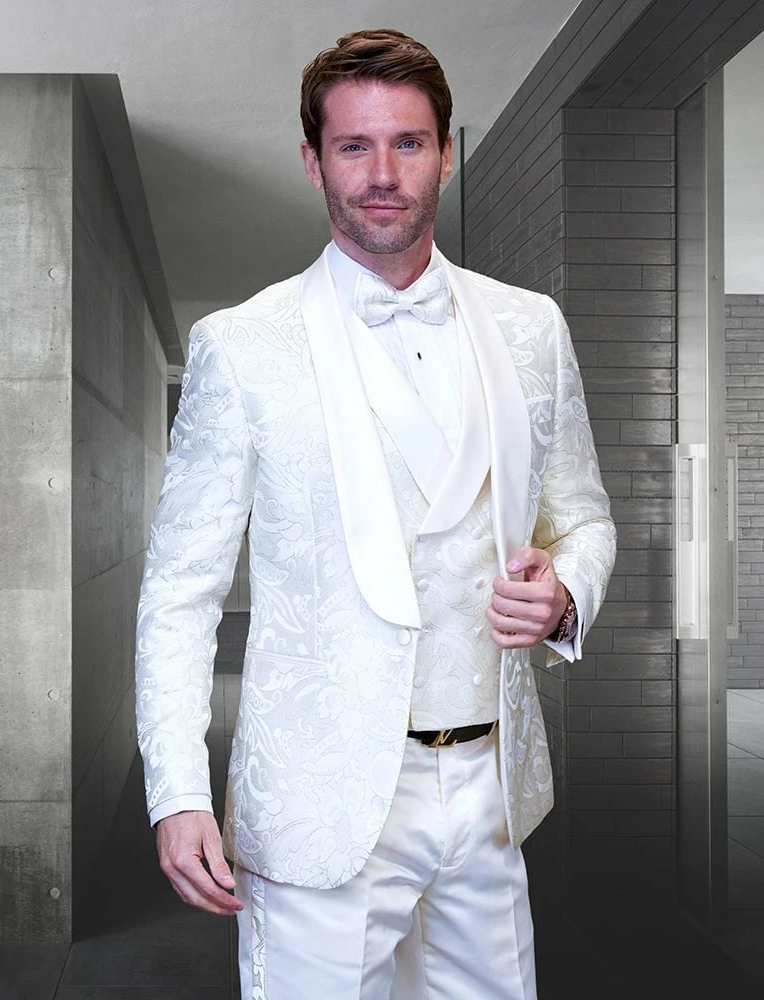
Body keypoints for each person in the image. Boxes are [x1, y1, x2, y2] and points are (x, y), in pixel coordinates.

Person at [135, 27, 616, 1000]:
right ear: (313, 160)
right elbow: (180, 592)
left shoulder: (531, 327)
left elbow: (586, 518)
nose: (383, 174)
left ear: (446, 154)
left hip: (488, 792)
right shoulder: (240, 345)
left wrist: (565, 592)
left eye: (408, 143)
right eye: (354, 146)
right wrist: (177, 790)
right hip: (317, 798)